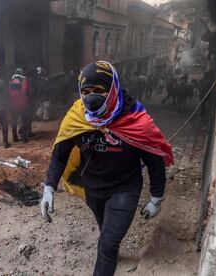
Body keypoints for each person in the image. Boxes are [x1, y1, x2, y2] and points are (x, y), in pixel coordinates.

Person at [40, 61, 173, 276]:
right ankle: (110, 246)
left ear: (113, 90)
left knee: (106, 246)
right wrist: (49, 188)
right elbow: (59, 156)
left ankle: (109, 250)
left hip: (125, 189)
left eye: (99, 91)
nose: (91, 97)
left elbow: (154, 159)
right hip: (93, 190)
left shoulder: (136, 120)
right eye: (86, 91)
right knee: (106, 233)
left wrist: (156, 198)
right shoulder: (77, 117)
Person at [9, 68, 29, 143]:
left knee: (14, 121)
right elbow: (24, 91)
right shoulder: (24, 80)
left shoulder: (11, 80)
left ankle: (15, 138)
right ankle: (24, 138)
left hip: (13, 104)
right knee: (24, 120)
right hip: (22, 103)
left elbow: (8, 92)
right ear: (22, 73)